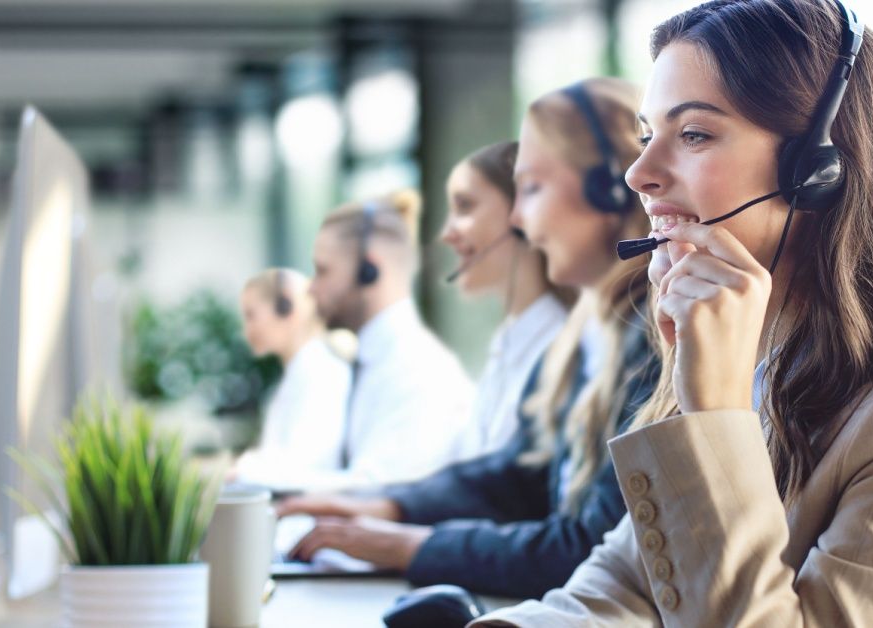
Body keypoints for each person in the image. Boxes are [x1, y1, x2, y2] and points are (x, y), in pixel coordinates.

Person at [471, 0, 873, 625]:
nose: (639, 173)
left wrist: (714, 414)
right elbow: (615, 592)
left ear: (817, 170)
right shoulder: (759, 356)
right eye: (646, 137)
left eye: (693, 134)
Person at [278, 77, 661, 599]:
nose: (519, 218)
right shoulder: (590, 337)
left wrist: (411, 546)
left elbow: (589, 547)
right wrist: (392, 507)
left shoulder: (655, 341)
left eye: (532, 188)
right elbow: (524, 474)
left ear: (610, 190)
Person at [307, 189, 476, 487]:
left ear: (368, 270)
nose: (311, 288)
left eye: (323, 271)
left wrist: (254, 477)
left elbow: (377, 493)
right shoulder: (374, 361)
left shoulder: (421, 372)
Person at [441, 141, 571, 454]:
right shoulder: (507, 342)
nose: (447, 233)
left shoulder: (561, 350)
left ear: (521, 216)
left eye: (465, 207)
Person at [230, 268, 349, 483]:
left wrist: (240, 472)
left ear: (286, 308)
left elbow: (305, 467)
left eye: (251, 315)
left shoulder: (322, 373)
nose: (246, 330)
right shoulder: (298, 373)